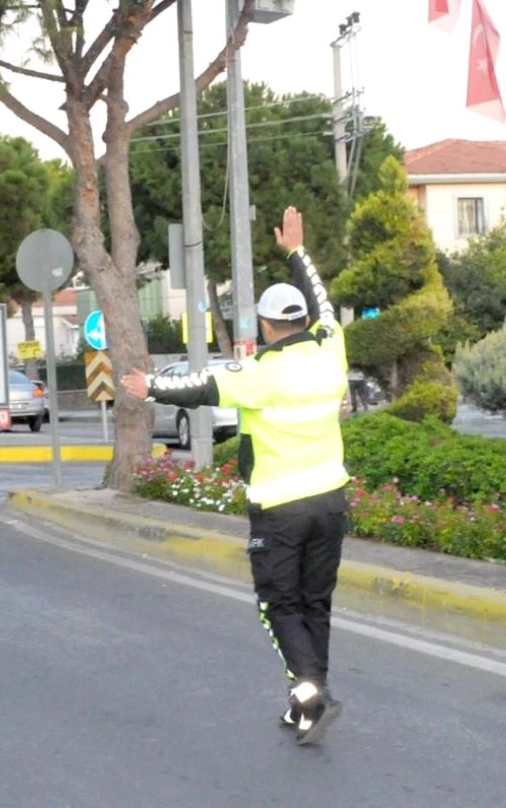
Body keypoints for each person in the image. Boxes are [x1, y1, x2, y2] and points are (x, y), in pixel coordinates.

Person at [121, 207, 349, 746]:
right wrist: (297, 252)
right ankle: (306, 702)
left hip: (279, 507)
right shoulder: (331, 348)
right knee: (315, 603)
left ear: (268, 326)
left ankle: (310, 690)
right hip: (331, 501)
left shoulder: (260, 374)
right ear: (305, 321)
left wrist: (148, 386)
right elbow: (322, 301)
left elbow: (201, 386)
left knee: (278, 606)